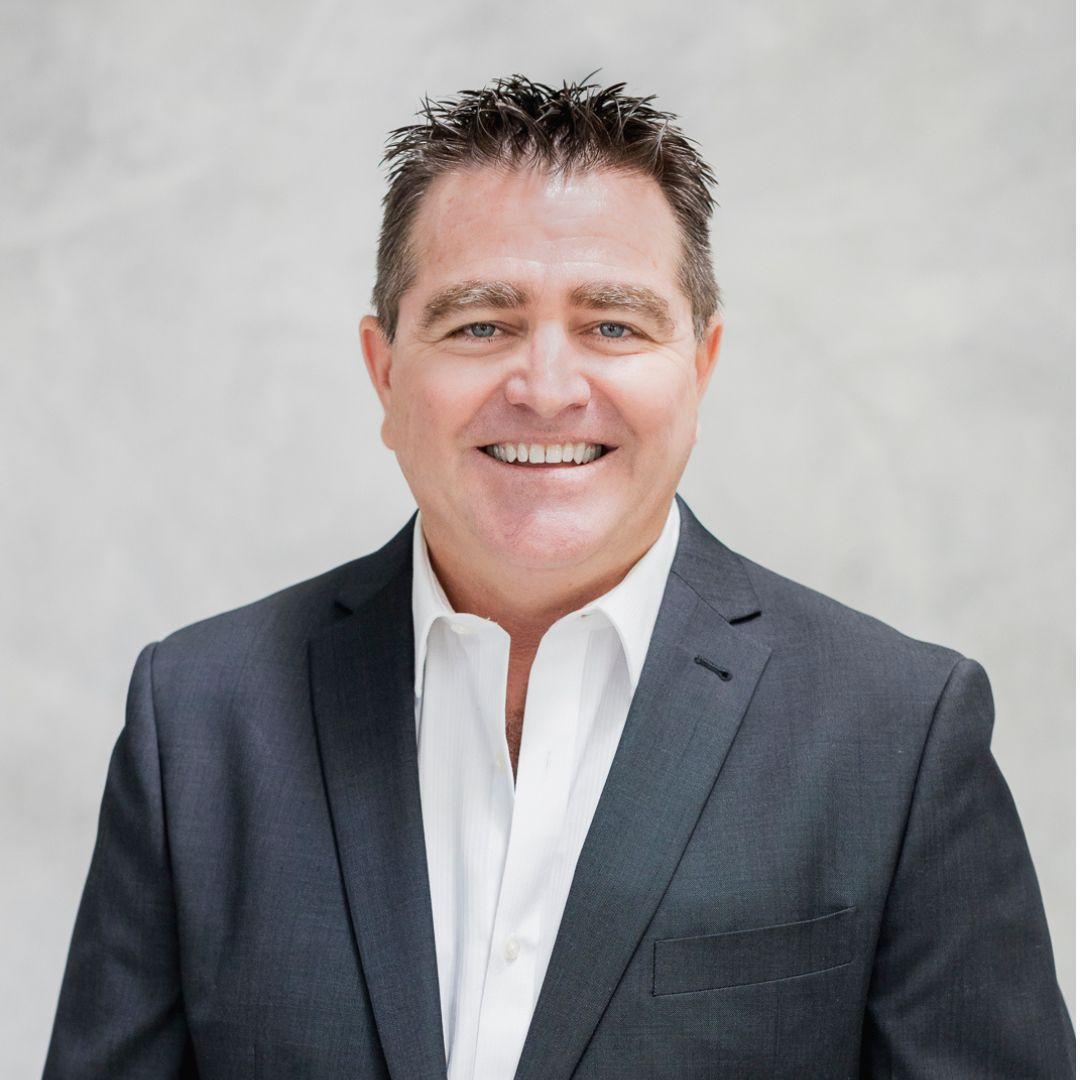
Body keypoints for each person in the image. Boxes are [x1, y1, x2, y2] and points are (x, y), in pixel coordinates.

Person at [44, 73, 1073, 1079]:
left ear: (700, 367)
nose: (545, 389)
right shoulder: (197, 717)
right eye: (479, 325)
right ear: (386, 371)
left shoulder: (897, 733)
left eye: (613, 325)